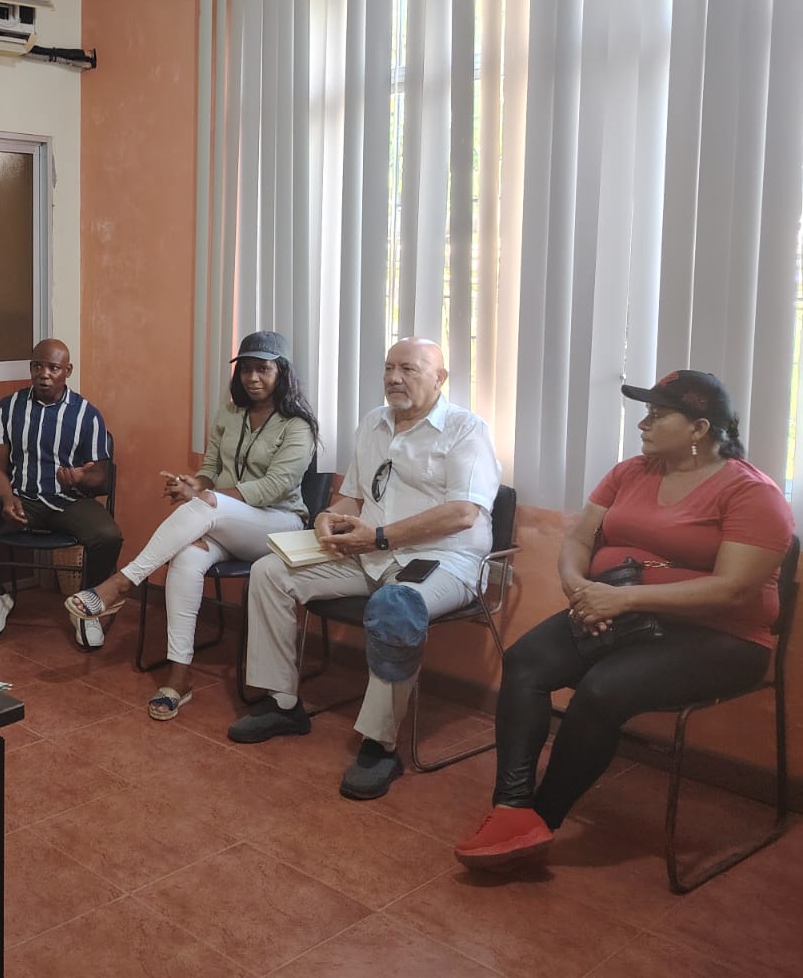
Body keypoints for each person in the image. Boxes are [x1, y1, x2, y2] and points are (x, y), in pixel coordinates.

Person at [453, 370, 795, 870]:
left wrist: (623, 601)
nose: (642, 424)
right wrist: (580, 589)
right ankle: (511, 806)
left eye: (657, 415)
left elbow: (733, 589)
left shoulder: (752, 493)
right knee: (526, 661)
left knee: (602, 689)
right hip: (618, 607)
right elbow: (579, 538)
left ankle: (542, 818)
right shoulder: (630, 472)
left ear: (699, 429)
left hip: (720, 636)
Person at [226, 337, 500, 801]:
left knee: (397, 605)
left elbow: (462, 513)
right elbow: (353, 496)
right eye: (389, 367)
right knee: (271, 571)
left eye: (408, 369)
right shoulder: (374, 422)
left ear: (439, 378)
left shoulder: (465, 429)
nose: (394, 377)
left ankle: (379, 745)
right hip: (370, 552)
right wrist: (327, 517)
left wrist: (380, 536)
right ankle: (283, 704)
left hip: (442, 560)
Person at [67, 331, 316, 719]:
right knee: (185, 557)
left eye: (263, 369)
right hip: (228, 522)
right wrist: (194, 485)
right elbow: (211, 468)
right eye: (246, 369)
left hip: (279, 526)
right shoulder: (229, 414)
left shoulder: (298, 425)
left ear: (281, 372)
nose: (253, 378)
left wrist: (207, 496)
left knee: (210, 505)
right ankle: (179, 678)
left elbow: (274, 487)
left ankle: (121, 583)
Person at [0, 338, 122, 644]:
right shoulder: (8, 407)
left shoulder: (87, 414)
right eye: (37, 366)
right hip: (20, 498)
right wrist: (7, 498)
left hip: (68, 502)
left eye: (53, 368)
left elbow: (100, 475)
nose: (44, 374)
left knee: (108, 536)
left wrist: (79, 477)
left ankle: (87, 604)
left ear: (67, 371)